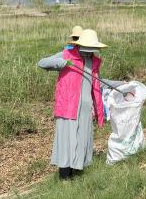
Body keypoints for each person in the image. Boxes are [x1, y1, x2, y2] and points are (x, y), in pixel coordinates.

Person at [38, 29, 107, 180]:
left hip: (84, 110)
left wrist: (100, 110)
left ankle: (76, 173)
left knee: (81, 139)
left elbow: (97, 86)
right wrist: (61, 63)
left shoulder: (94, 62)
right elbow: (42, 63)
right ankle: (64, 175)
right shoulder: (67, 55)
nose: (89, 52)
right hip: (68, 107)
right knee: (66, 140)